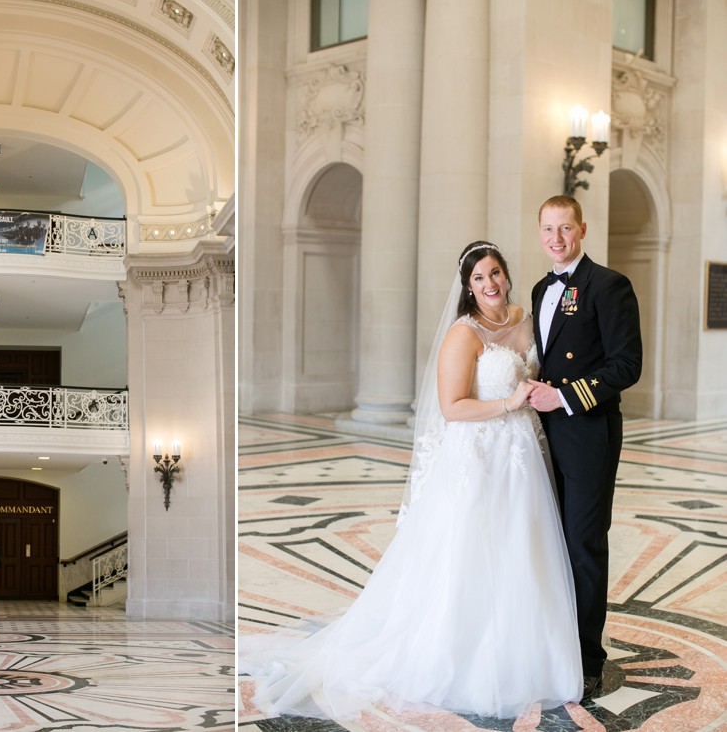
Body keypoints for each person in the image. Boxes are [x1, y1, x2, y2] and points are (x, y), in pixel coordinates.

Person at [240, 242, 581, 721]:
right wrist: (510, 403)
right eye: (479, 278)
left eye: (495, 274)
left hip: (523, 455)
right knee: (472, 555)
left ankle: (527, 649)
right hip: (479, 457)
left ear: (507, 274)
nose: (490, 285)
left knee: (522, 549)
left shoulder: (526, 319)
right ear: (467, 287)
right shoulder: (464, 335)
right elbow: (452, 407)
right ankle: (467, 655)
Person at [527, 195, 642, 700]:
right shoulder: (537, 289)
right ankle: (552, 647)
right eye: (549, 229)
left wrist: (565, 396)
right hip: (541, 437)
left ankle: (587, 659)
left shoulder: (609, 285)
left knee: (583, 546)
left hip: (588, 433)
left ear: (583, 230)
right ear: (540, 233)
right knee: (547, 545)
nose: (557, 238)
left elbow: (626, 365)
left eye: (566, 229)